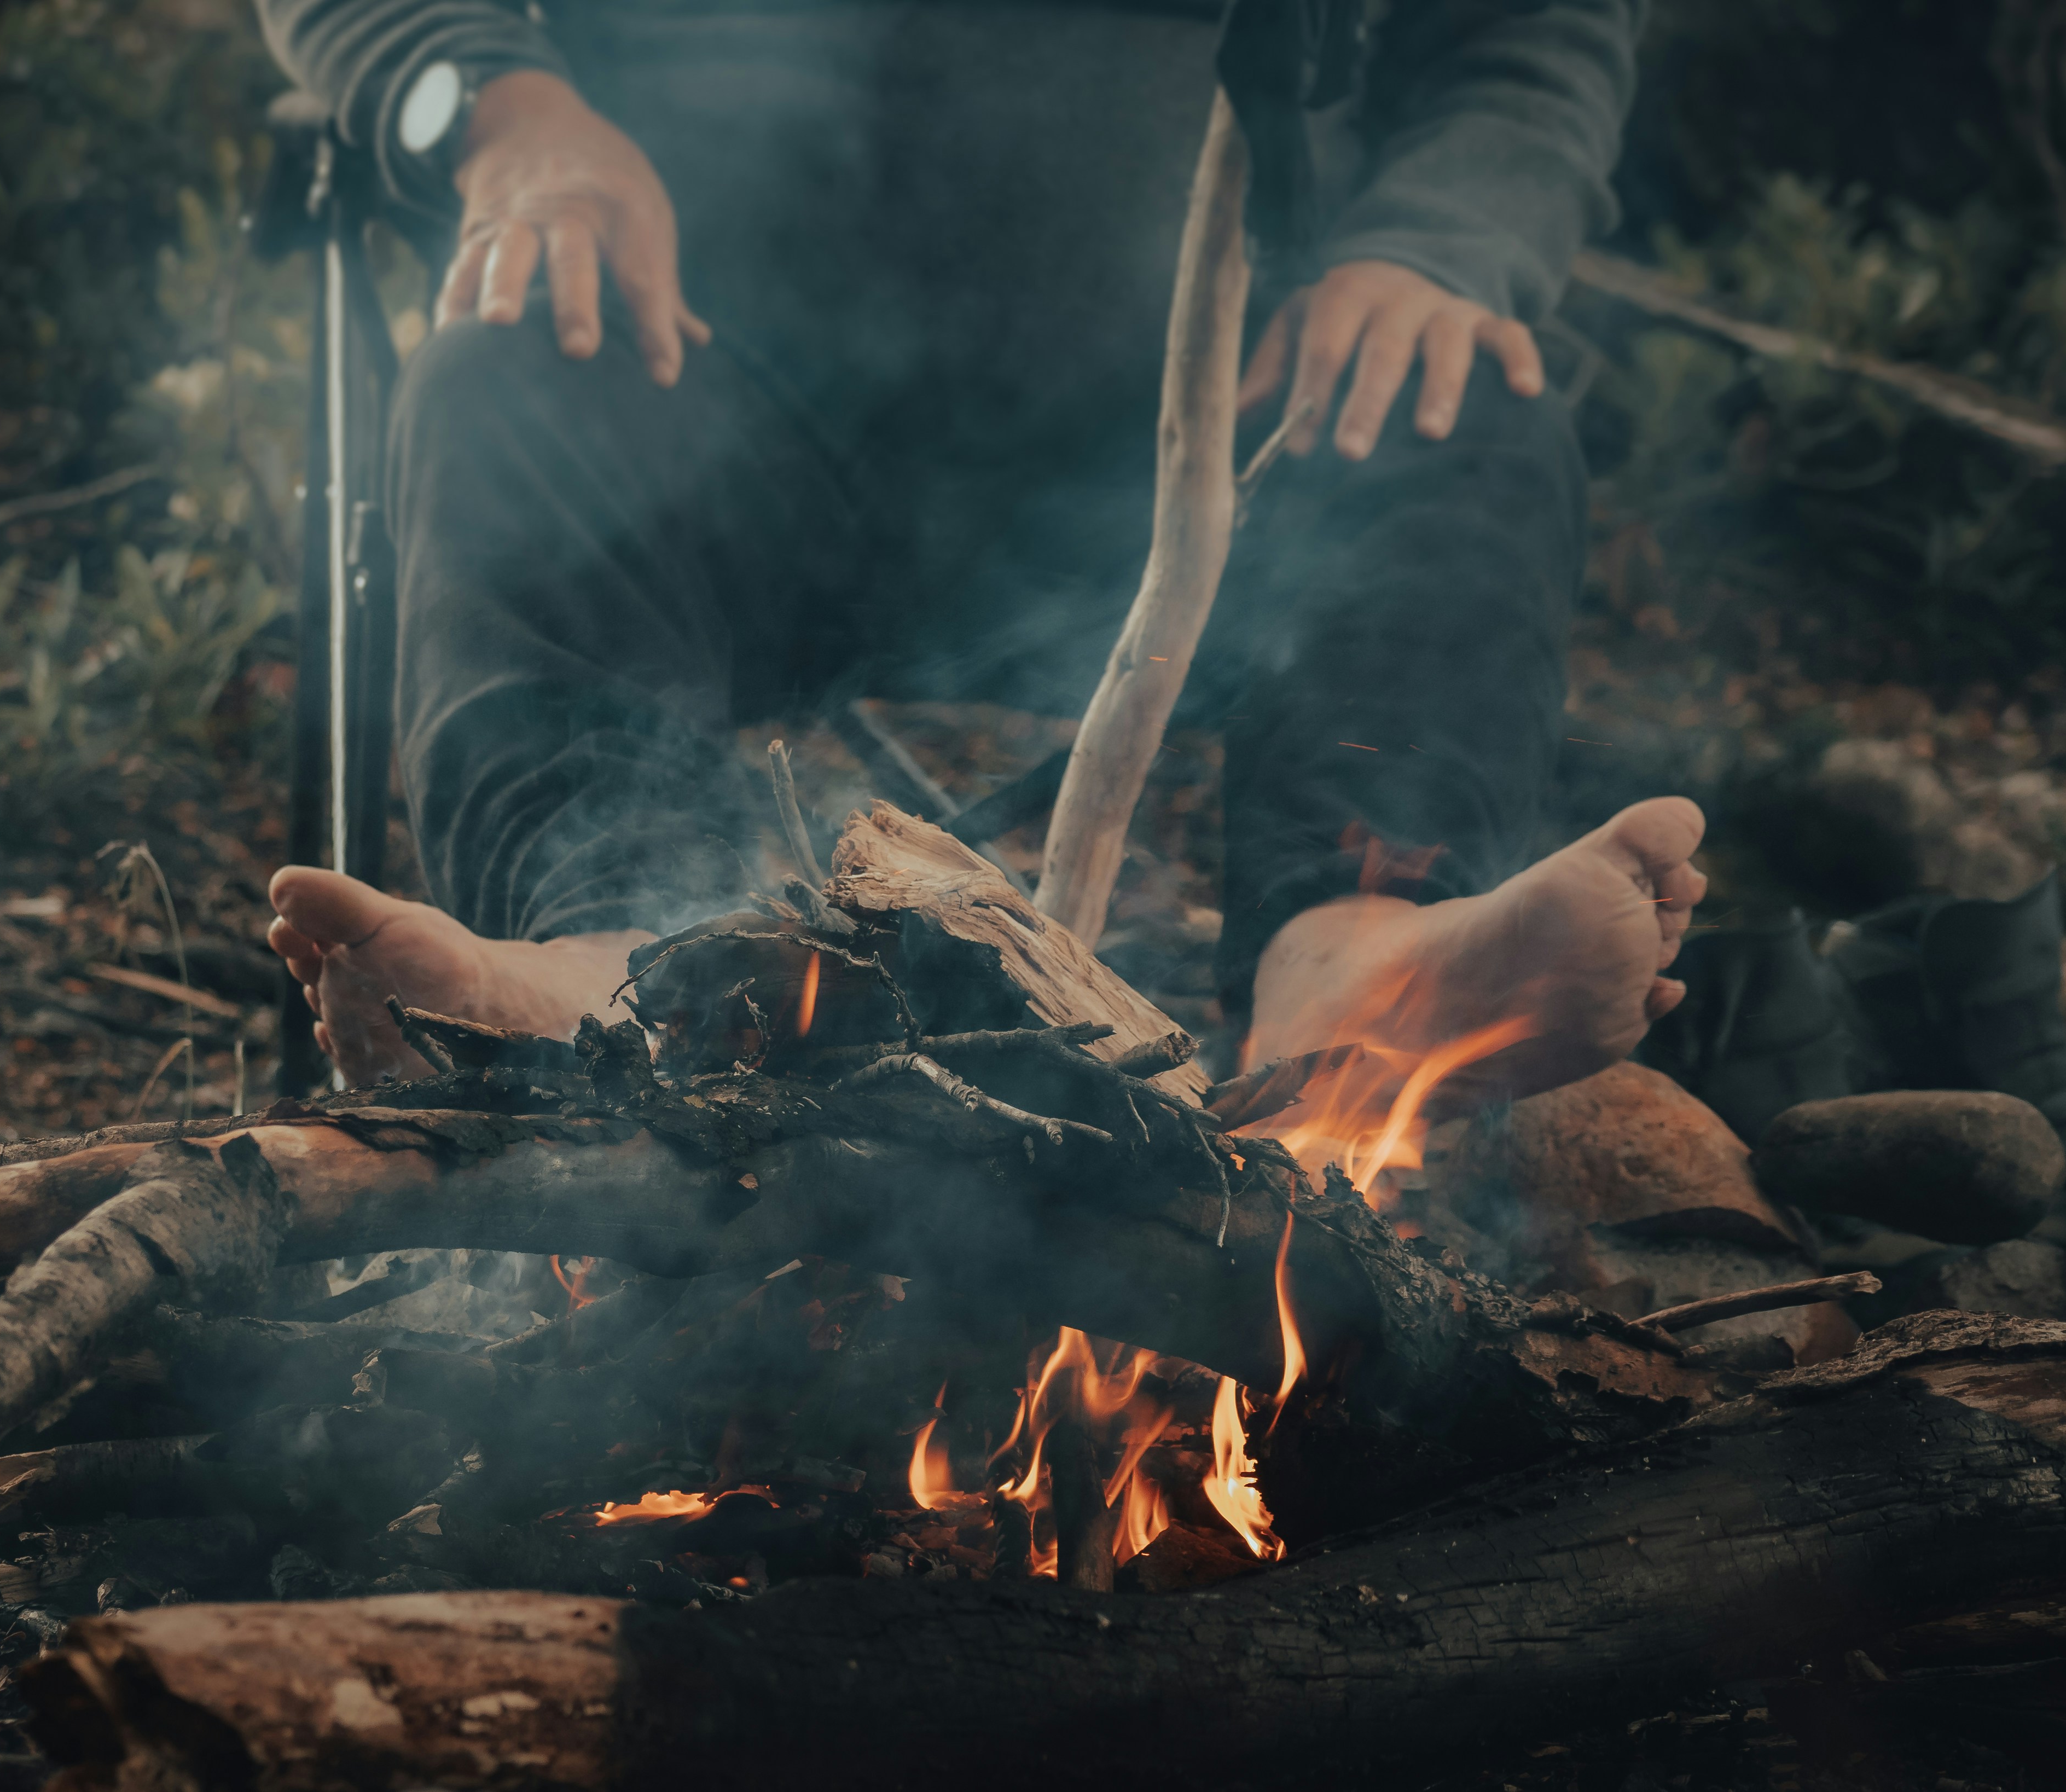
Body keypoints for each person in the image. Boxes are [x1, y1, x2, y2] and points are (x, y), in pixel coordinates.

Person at [253, 0, 1708, 1098]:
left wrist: (1438, 242)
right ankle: (611, 957)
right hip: (709, 420)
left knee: (1450, 390)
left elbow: (1530, 30)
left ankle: (1357, 947)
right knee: (506, 368)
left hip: (1218, 470)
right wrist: (499, 113)